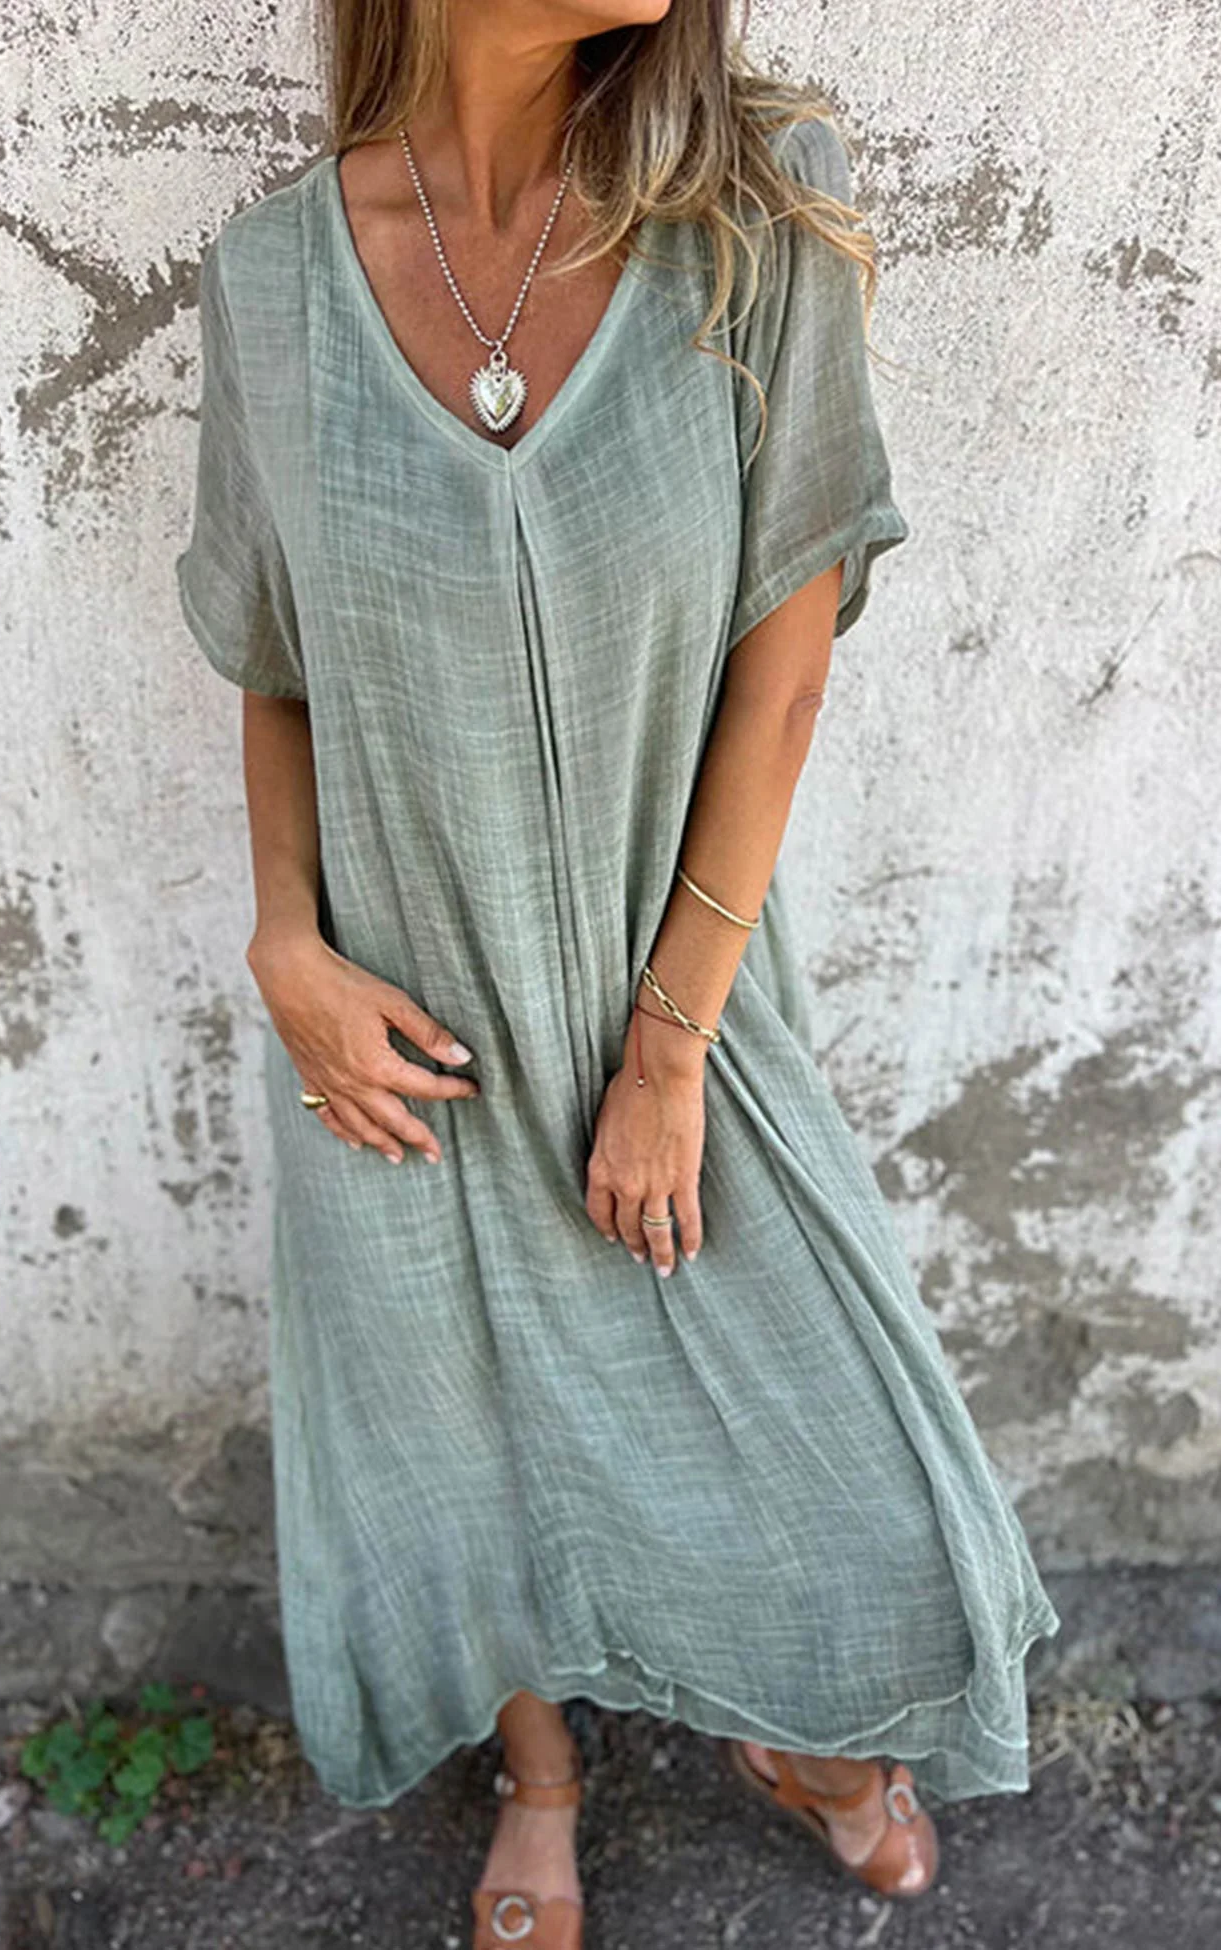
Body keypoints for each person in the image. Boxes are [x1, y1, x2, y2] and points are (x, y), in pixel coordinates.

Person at [174, 3, 1062, 1943]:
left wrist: (666, 1052)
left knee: (861, 1475)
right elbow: (274, 661)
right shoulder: (276, 284)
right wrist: (282, 938)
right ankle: (543, 1778)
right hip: (394, 1029)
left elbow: (786, 666)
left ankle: (803, 1732)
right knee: (458, 1443)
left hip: (677, 1008)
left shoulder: (752, 213)